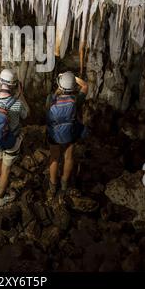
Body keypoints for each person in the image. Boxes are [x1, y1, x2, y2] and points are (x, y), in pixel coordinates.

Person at [0, 69, 29, 206]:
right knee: (6, 169)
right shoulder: (16, 103)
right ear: (14, 84)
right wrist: (21, 96)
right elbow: (26, 115)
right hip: (10, 141)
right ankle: (1, 197)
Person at [46, 71, 88, 201]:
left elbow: (46, 112)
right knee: (68, 157)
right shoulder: (75, 100)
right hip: (70, 133)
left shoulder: (50, 99)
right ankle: (64, 185)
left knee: (54, 157)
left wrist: (63, 78)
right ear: (73, 87)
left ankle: (52, 186)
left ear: (59, 85)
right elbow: (85, 86)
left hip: (54, 133)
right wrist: (73, 78)